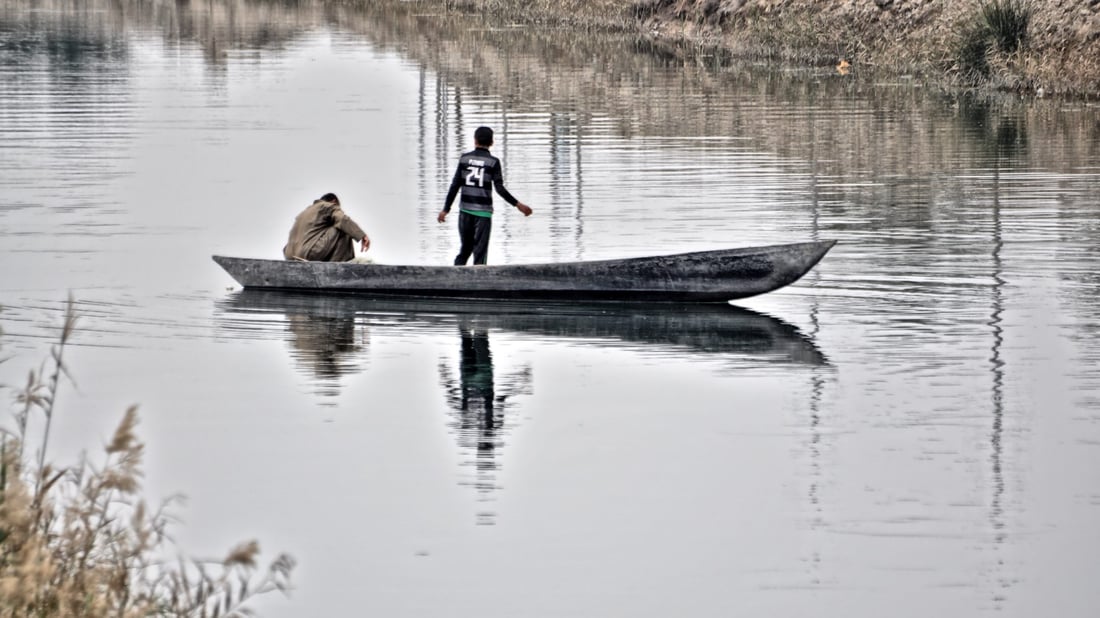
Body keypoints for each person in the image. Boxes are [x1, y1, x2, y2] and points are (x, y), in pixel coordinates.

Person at [437, 126, 532, 265]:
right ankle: (479, 283)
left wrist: (445, 209)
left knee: (465, 249)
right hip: (483, 214)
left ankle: (456, 277)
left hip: (465, 212)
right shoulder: (493, 162)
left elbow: (454, 186)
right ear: (492, 142)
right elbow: (499, 189)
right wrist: (518, 205)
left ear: (475, 141)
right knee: (480, 253)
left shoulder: (464, 159)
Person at [283, 193, 370, 262]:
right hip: (308, 253)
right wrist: (362, 235)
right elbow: (342, 219)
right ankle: (338, 268)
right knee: (344, 227)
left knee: (339, 226)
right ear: (334, 202)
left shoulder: (304, 212)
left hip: (289, 256)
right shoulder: (326, 206)